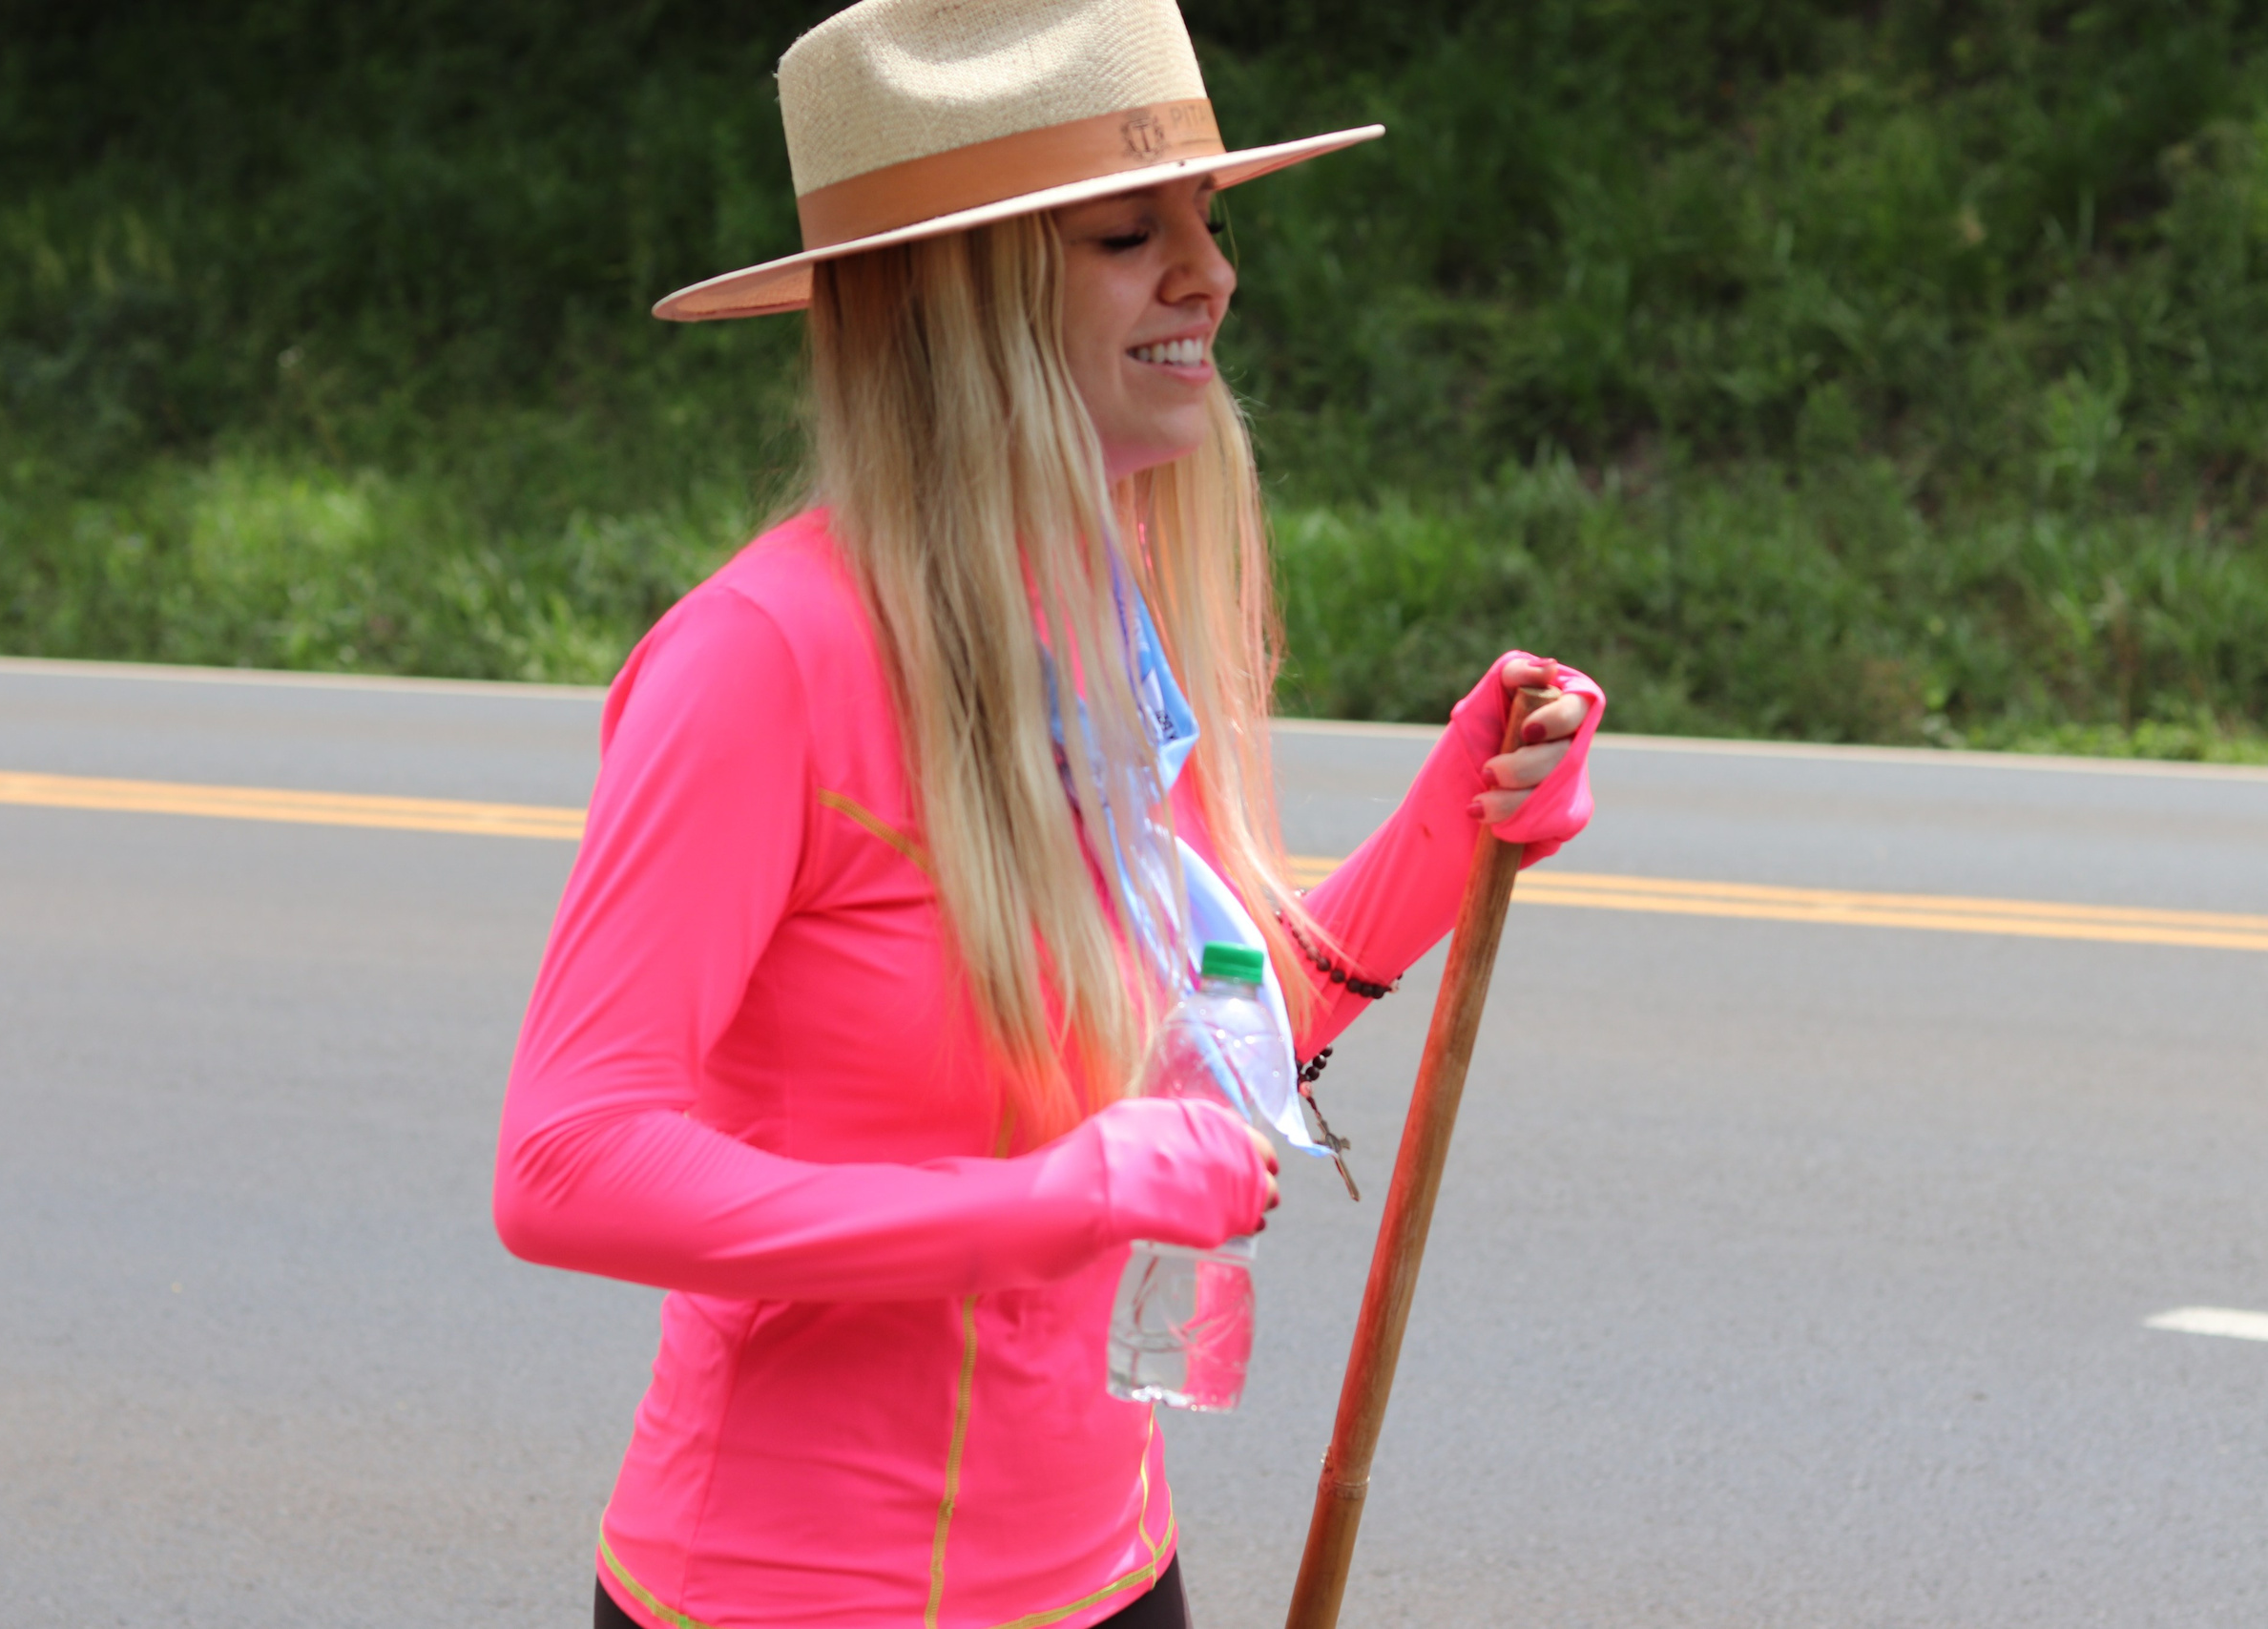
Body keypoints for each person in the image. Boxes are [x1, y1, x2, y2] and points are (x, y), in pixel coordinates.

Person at [490, 2, 1605, 1625]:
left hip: (1107, 1575)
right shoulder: (758, 659)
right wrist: (1053, 1202)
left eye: (1207, 223)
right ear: (958, 301)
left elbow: (1188, 1044)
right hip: (796, 1596)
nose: (1209, 276)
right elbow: (568, 1164)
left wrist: (1460, 824)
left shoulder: (1093, 603)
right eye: (1124, 233)